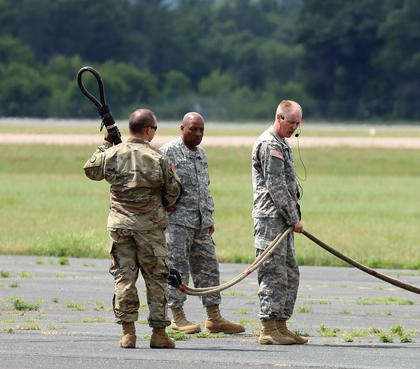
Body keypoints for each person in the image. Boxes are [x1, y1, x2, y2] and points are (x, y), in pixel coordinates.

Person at [84, 109, 182, 349]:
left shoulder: (113, 154)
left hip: (121, 227)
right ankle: (159, 334)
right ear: (148, 129)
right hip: (150, 229)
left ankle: (128, 333)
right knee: (156, 279)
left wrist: (106, 143)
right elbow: (173, 192)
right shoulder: (158, 158)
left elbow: (90, 170)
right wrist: (164, 202)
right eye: (155, 129)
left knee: (124, 278)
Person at [160, 112, 245, 335]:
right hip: (177, 224)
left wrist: (208, 217)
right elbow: (154, 184)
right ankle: (177, 316)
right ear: (182, 128)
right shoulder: (168, 152)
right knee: (178, 270)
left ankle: (214, 317)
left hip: (200, 223)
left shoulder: (201, 154)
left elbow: (203, 188)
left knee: (209, 268)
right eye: (193, 129)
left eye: (201, 130)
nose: (198, 134)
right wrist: (164, 202)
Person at [251, 100, 306, 345]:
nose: (294, 127)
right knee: (273, 273)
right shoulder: (269, 144)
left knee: (289, 272)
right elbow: (276, 187)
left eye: (298, 123)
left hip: (282, 220)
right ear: (279, 117)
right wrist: (294, 218)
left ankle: (281, 325)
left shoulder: (281, 143)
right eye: (291, 122)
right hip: (271, 219)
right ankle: (268, 327)